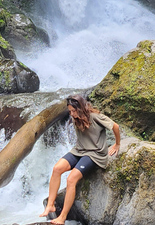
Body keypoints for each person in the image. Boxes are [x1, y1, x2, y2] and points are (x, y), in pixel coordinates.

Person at [39, 94, 121, 225]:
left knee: (71, 179)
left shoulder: (95, 117)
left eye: (73, 110)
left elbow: (115, 126)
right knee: (56, 169)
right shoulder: (75, 118)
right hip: (79, 151)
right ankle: (50, 205)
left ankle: (62, 217)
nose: (71, 114)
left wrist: (117, 144)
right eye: (69, 111)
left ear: (81, 108)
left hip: (94, 154)